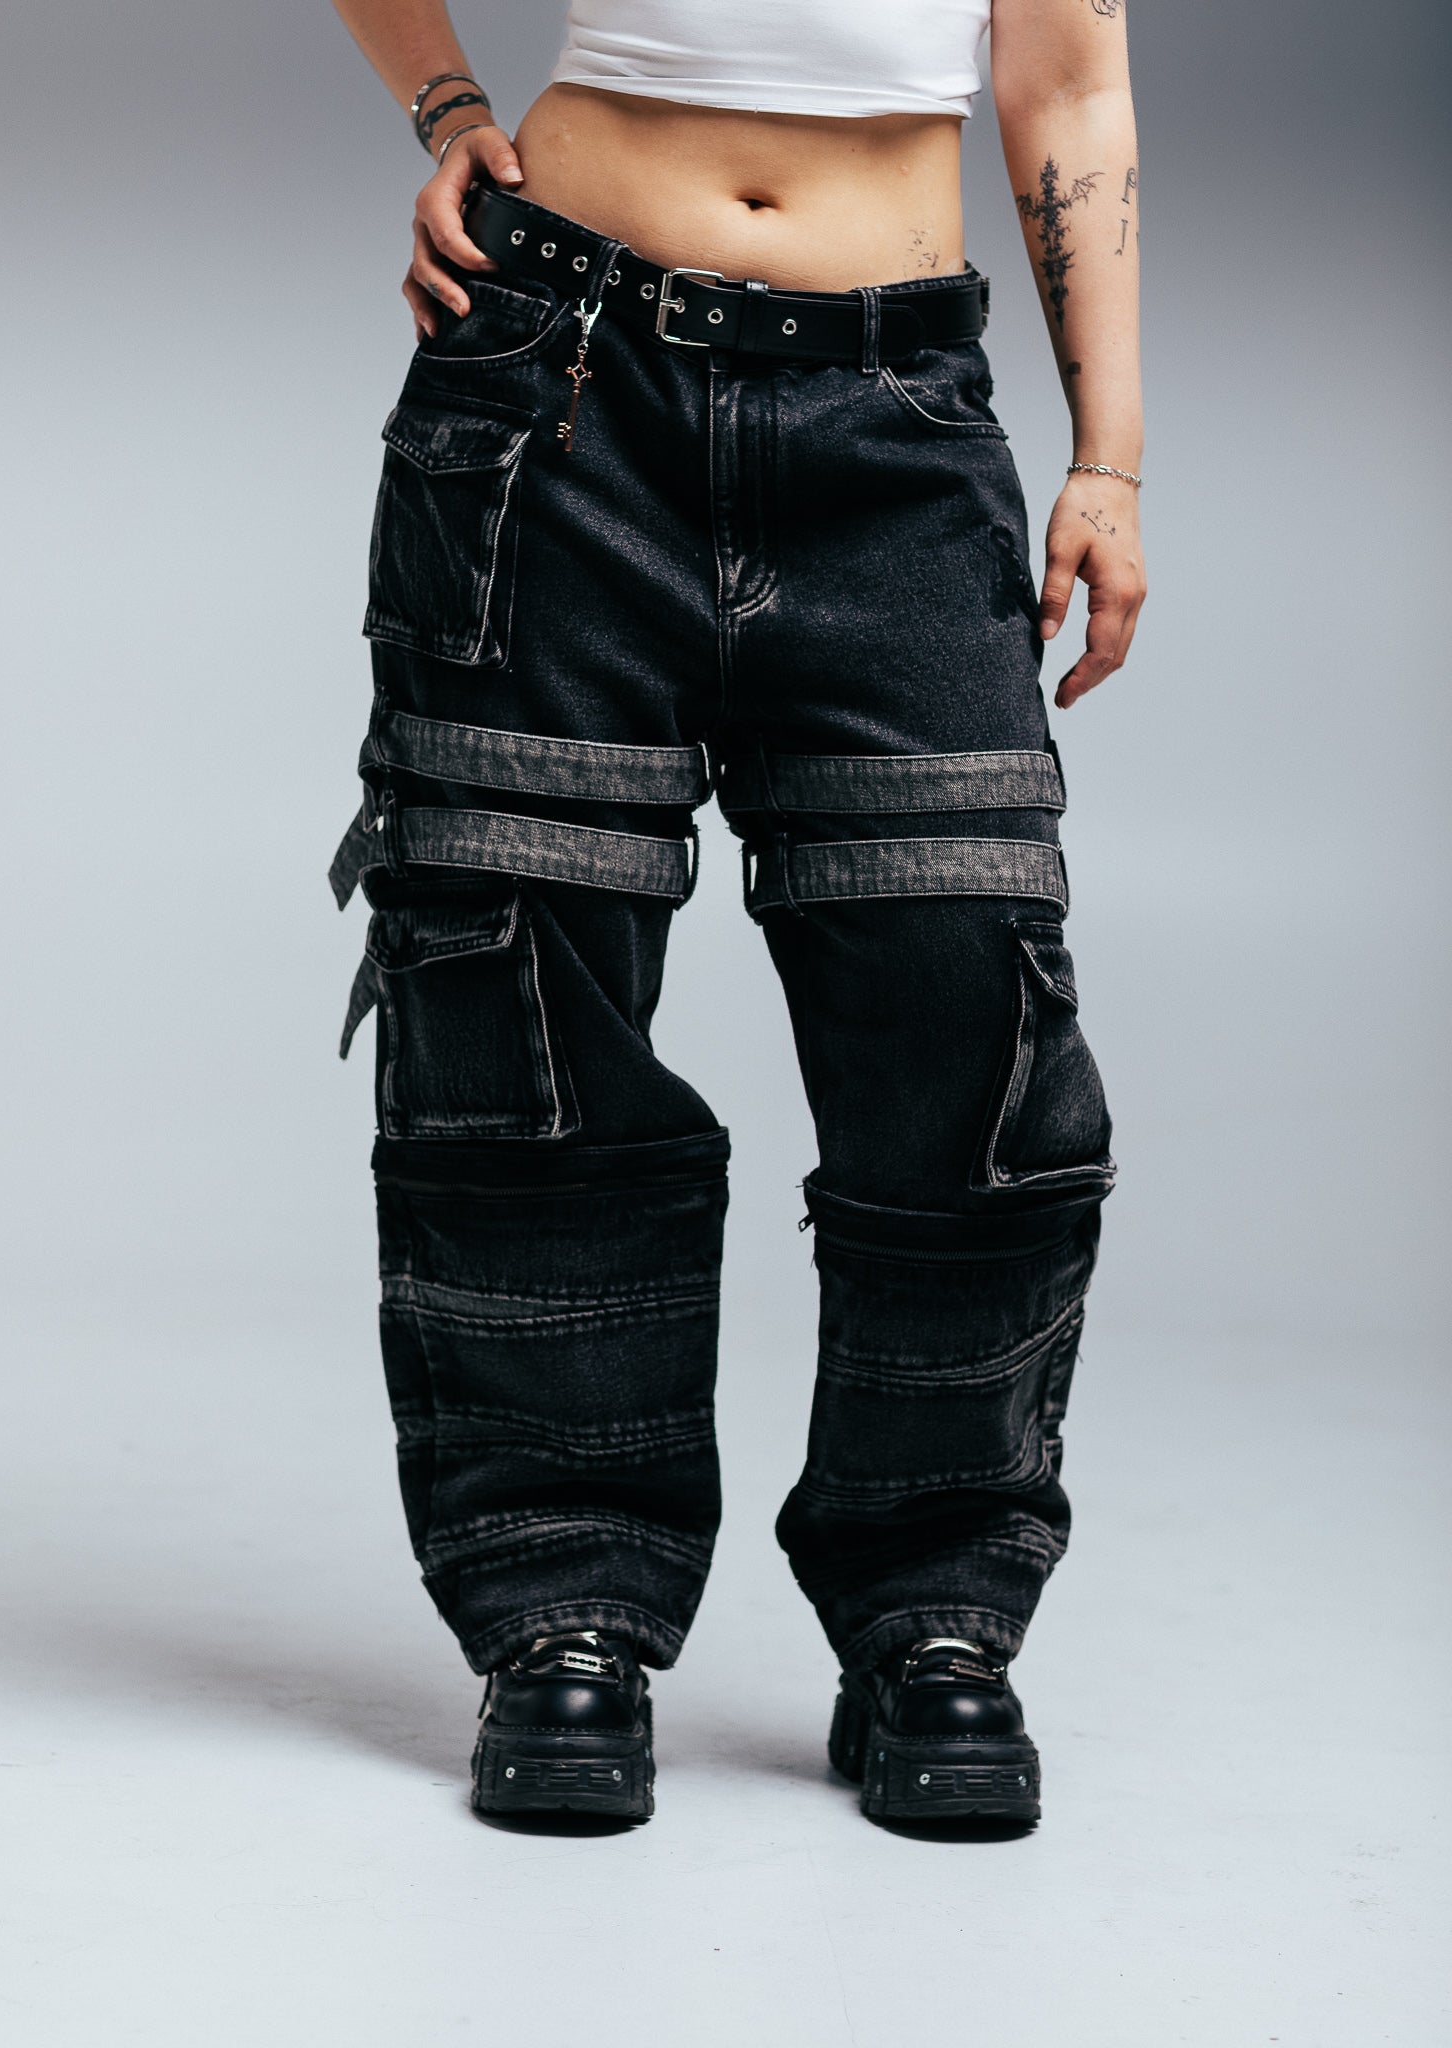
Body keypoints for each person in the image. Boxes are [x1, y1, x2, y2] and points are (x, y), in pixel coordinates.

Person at [329, 0, 1144, 1826]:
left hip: (895, 412)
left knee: (967, 1009)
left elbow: (1071, 78)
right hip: (558, 378)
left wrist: (1110, 455)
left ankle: (936, 1616)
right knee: (523, 1001)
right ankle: (563, 1611)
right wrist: (448, 109)